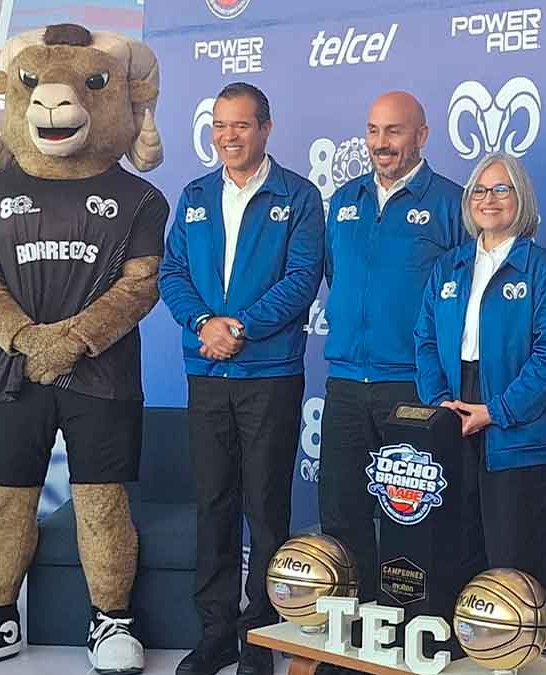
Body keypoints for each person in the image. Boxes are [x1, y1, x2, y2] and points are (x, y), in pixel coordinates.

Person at [0, 24, 165, 675]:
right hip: (15, 373)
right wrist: (29, 340)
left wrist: (75, 340)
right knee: (6, 501)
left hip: (103, 378)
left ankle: (111, 619)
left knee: (102, 502)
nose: (57, 104)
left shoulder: (140, 197)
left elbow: (140, 285)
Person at [158, 82, 326, 675]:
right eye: (220, 126)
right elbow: (172, 273)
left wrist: (241, 327)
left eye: (241, 125)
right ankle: (215, 636)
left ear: (266, 128)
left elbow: (302, 278)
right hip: (206, 371)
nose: (228, 136)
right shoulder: (195, 194)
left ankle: (260, 639)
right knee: (213, 505)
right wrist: (204, 323)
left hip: (270, 375)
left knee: (266, 508)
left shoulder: (299, 196)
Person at [316, 92, 466, 611]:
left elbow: (460, 295)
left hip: (411, 384)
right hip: (345, 382)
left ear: (422, 136)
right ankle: (353, 632)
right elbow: (335, 274)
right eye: (374, 130)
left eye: (395, 131)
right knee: (342, 514)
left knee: (414, 521)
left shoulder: (450, 203)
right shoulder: (345, 199)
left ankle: (413, 630)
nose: (382, 143)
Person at [414, 152, 546, 592]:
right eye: (480, 190)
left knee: (516, 565)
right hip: (453, 418)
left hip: (517, 430)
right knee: (455, 556)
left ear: (521, 198)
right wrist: (440, 406)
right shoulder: (448, 266)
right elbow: (425, 340)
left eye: (502, 189)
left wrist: (497, 411)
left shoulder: (543, 269)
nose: (489, 199)